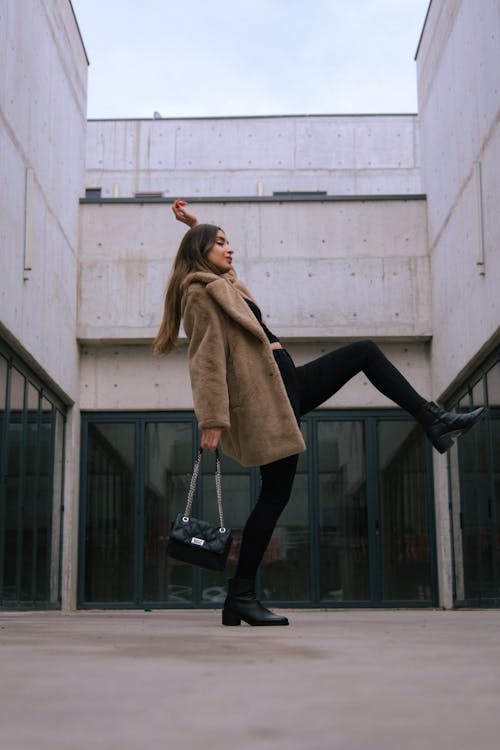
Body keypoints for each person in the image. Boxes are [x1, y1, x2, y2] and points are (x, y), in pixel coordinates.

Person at [153, 199, 485, 627]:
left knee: (363, 352)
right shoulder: (198, 294)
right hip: (266, 400)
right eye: (221, 243)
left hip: (284, 382)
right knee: (273, 498)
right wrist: (212, 419)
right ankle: (240, 596)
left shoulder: (222, 286)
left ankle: (433, 419)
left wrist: (198, 226)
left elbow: (230, 279)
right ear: (202, 252)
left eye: (229, 241)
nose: (230, 249)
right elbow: (206, 360)